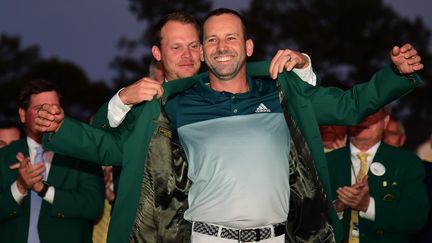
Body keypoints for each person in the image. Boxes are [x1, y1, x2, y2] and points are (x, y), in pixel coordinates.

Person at [35, 8, 424, 243]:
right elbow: (112, 148)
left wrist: (394, 74)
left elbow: (353, 104)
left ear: (249, 46)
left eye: (231, 38)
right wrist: (60, 128)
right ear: (204, 51)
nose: (222, 46)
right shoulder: (174, 105)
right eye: (212, 40)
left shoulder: (284, 93)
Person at [0, 80, 105, 243]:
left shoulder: (82, 153)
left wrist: (43, 189)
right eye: (39, 108)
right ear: (22, 114)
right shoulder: (5, 156)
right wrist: (20, 186)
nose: (47, 114)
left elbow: (93, 207)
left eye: (54, 108)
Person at [327, 108, 429, 243]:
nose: (364, 118)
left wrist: (368, 206)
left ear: (385, 120)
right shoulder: (326, 162)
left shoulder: (407, 163)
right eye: (359, 112)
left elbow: (416, 218)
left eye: (372, 113)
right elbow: (304, 218)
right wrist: (337, 208)